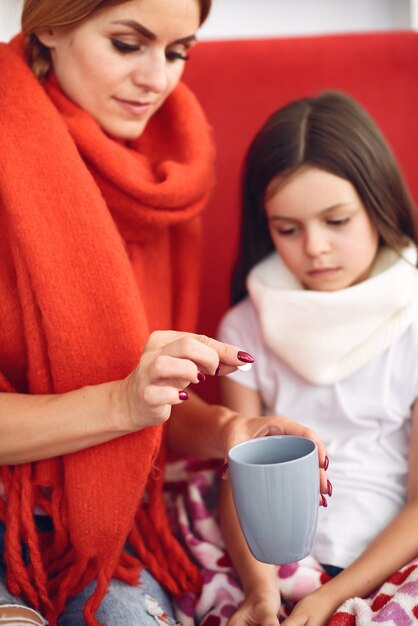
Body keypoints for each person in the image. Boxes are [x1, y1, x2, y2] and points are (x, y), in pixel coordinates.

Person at [0, 1, 330, 625]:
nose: (158, 78)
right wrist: (121, 404)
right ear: (48, 21)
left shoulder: (167, 177)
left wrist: (227, 431)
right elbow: (129, 405)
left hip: (97, 528)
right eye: (129, 44)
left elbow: (153, 408)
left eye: (179, 51)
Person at [218, 91, 418, 625]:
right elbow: (237, 479)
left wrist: (327, 599)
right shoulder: (244, 327)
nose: (315, 249)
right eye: (289, 229)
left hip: (393, 549)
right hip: (274, 555)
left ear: (381, 205)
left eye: (337, 221)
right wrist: (262, 592)